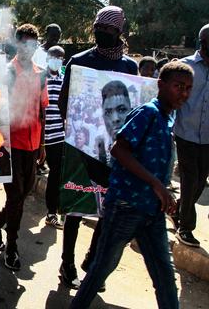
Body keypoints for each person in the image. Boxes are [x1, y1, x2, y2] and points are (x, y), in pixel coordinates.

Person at [70, 61, 193, 309]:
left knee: (165, 277)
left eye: (188, 88)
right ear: (161, 85)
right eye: (178, 86)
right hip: (126, 206)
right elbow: (119, 150)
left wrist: (165, 192)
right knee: (100, 270)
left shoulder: (169, 117)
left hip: (152, 212)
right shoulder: (147, 112)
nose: (184, 93)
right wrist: (156, 184)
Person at [57, 5, 138, 290]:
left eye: (108, 29)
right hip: (81, 147)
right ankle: (66, 264)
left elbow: (134, 110)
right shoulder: (79, 60)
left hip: (114, 152)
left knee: (107, 209)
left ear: (119, 32)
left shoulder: (130, 67)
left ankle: (93, 260)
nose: (101, 33)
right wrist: (77, 127)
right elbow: (62, 101)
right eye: (98, 28)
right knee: (75, 207)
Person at [0, 24, 48, 271]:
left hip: (32, 144)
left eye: (33, 45)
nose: (28, 49)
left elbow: (42, 109)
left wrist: (42, 143)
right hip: (10, 144)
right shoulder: (6, 72)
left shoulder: (41, 73)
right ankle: (11, 247)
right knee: (16, 196)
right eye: (24, 44)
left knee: (22, 194)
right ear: (17, 43)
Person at [173, 23, 209, 247]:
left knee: (199, 183)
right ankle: (185, 227)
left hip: (207, 137)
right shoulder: (184, 67)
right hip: (185, 133)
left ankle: (178, 210)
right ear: (203, 42)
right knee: (190, 179)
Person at [44, 45, 66, 228]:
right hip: (39, 134)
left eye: (60, 57)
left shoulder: (64, 79)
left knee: (56, 172)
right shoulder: (39, 78)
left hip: (57, 133)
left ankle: (52, 212)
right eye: (54, 56)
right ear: (47, 57)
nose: (57, 60)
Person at [95, 80, 131, 165]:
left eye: (121, 110)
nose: (115, 119)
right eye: (108, 112)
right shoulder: (102, 147)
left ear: (131, 110)